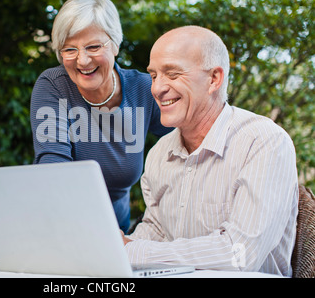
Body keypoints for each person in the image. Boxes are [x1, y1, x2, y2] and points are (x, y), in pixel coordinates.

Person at [121, 26, 299, 276]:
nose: (157, 88)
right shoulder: (160, 153)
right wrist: (120, 246)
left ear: (214, 79)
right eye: (153, 76)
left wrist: (134, 251)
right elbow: (158, 230)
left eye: (172, 74)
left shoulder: (264, 142)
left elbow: (240, 253)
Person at [30, 0, 172, 233]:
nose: (83, 60)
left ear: (115, 44)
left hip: (119, 234)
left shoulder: (144, 90)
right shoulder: (54, 86)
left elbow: (187, 146)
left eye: (93, 47)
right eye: (70, 49)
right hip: (60, 228)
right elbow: (53, 166)